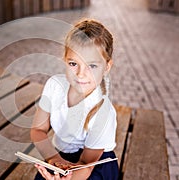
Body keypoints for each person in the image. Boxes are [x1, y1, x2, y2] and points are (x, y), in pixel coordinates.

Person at [30, 18, 118, 180]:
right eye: (73, 64)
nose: (80, 74)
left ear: (107, 66)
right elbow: (38, 130)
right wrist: (54, 159)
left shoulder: (103, 113)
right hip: (60, 157)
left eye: (92, 66)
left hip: (94, 164)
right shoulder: (54, 85)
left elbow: (86, 165)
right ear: (65, 60)